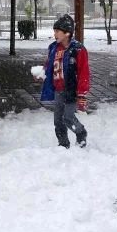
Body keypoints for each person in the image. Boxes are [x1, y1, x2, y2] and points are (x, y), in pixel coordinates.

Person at [37, 14, 90, 148]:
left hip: (71, 90)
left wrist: (82, 93)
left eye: (57, 31)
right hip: (58, 89)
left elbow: (84, 72)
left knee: (68, 117)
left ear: (67, 33)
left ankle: (81, 133)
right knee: (58, 120)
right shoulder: (53, 47)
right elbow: (48, 64)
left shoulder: (78, 50)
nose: (54, 33)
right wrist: (42, 73)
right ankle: (63, 143)